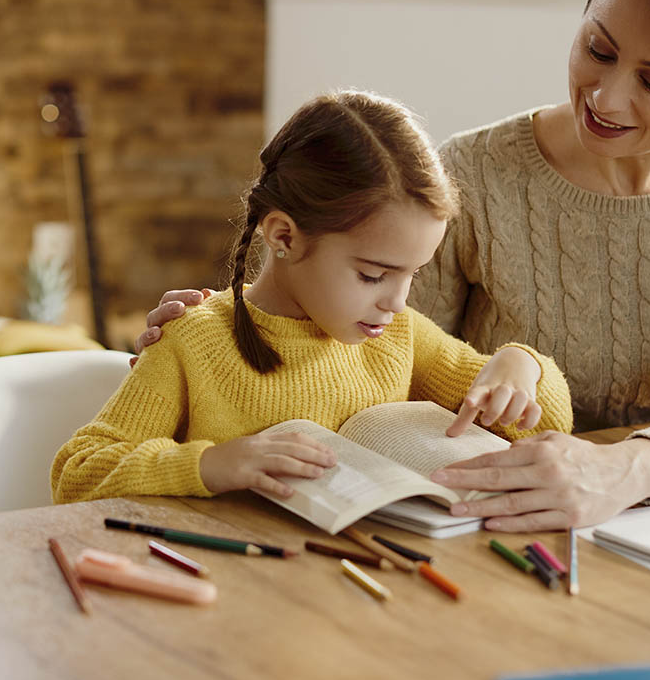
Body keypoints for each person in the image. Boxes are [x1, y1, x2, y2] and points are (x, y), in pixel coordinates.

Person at [131, 0, 650, 531]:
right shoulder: (473, 172)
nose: (606, 98)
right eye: (597, 50)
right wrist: (220, 332)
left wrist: (624, 469)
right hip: (481, 518)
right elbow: (369, 350)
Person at [51, 90, 573, 504]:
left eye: (412, 274)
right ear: (284, 237)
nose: (397, 300)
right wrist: (211, 464)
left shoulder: (399, 335)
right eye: (373, 275)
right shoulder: (193, 340)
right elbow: (78, 473)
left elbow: (550, 424)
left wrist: (519, 365)